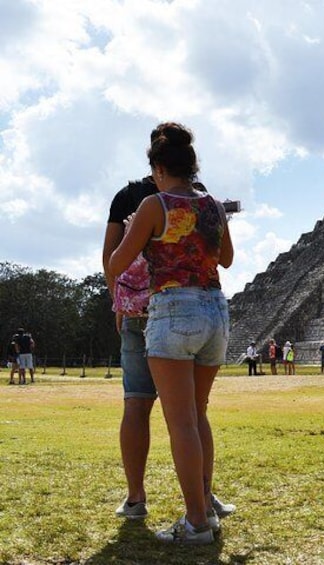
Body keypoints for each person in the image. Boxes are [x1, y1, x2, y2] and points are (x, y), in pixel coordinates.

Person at [109, 122, 234, 544]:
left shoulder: (153, 204)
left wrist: (133, 232)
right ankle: (206, 505)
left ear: (159, 167)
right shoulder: (214, 205)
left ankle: (197, 523)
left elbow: (116, 265)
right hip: (215, 310)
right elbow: (228, 259)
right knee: (197, 416)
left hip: (173, 310)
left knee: (179, 423)